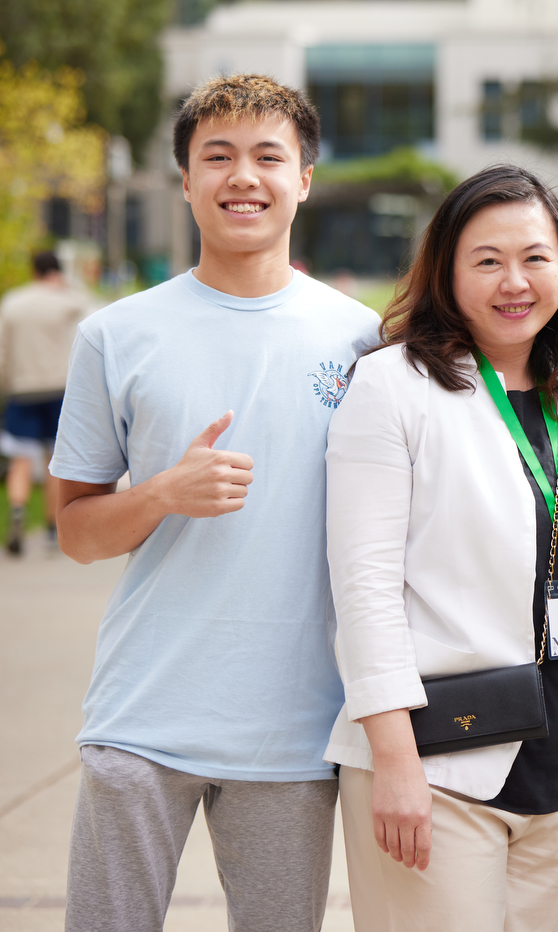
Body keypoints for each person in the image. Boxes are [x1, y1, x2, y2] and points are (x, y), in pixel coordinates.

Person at [48, 74, 380, 932]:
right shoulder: (116, 335)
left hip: (295, 730)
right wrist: (162, 492)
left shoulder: (362, 338)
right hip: (142, 720)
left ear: (304, 177)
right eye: (217, 157)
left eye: (269, 156)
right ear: (185, 179)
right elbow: (77, 532)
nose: (244, 177)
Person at [322, 164, 558, 932]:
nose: (515, 281)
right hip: (439, 764)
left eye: (535, 257)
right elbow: (362, 588)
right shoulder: (392, 386)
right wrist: (395, 760)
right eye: (487, 260)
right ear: (447, 271)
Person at [0, 250, 96, 554]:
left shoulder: (13, 302)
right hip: (59, 389)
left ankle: (17, 512)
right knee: (54, 460)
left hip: (23, 388)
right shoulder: (69, 302)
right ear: (57, 271)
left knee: (20, 457)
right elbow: (95, 309)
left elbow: (3, 351)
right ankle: (51, 530)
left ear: (33, 270)